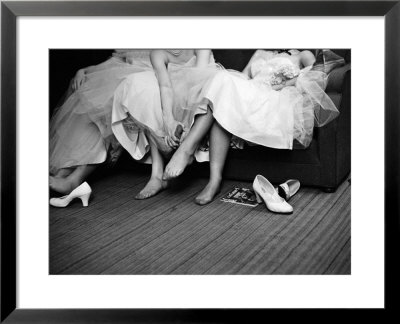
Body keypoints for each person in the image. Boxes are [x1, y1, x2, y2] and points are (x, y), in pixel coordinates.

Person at [190, 49, 340, 205]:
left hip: (276, 99)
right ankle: (214, 180)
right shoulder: (259, 52)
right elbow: (242, 76)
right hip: (251, 94)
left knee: (225, 104)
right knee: (223, 84)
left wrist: (285, 83)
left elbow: (317, 78)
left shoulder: (303, 54)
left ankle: (202, 166)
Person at [112, 49, 220, 199]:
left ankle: (187, 148)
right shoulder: (158, 53)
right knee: (148, 91)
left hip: (200, 92)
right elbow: (165, 87)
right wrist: (169, 121)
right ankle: (156, 175)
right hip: (175, 93)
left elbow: (199, 83)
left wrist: (188, 126)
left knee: (215, 89)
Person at [49, 50, 153, 195]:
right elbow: (115, 63)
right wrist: (85, 70)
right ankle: (65, 170)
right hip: (125, 76)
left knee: (107, 102)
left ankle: (74, 179)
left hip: (148, 80)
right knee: (89, 91)